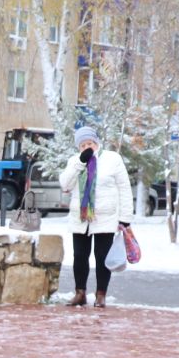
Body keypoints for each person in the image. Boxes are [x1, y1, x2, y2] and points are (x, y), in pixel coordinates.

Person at [58, 125, 133, 307]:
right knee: (80, 256)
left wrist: (125, 217)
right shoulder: (75, 161)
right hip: (81, 218)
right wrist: (79, 163)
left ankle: (101, 295)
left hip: (105, 216)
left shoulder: (112, 159)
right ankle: (80, 293)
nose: (87, 148)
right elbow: (65, 185)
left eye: (90, 143)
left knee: (102, 257)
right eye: (82, 145)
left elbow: (124, 187)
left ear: (97, 143)